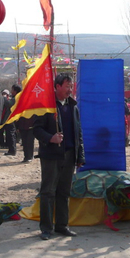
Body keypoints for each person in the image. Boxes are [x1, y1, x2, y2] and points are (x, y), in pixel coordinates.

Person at [33, 74, 85, 240]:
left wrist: (80, 155)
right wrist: (51, 138)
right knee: (48, 192)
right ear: (57, 86)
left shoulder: (73, 106)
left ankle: (62, 225)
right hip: (51, 155)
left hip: (69, 155)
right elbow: (36, 129)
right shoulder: (46, 106)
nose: (70, 89)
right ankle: (46, 228)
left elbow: (79, 133)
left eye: (71, 86)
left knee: (64, 192)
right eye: (67, 86)